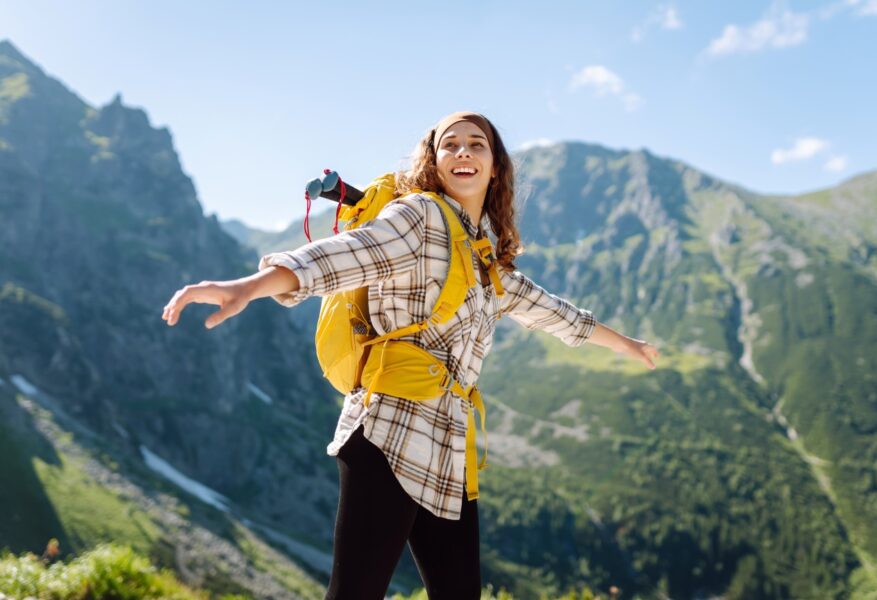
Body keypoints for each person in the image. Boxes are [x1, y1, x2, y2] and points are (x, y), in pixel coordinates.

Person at [161, 111, 660, 599]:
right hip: (389, 429)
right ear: (435, 161)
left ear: (495, 168)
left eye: (477, 144)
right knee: (356, 592)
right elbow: (344, 256)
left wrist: (627, 345)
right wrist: (249, 287)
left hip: (449, 445)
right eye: (450, 144)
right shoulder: (417, 216)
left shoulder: (489, 260)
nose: (463, 151)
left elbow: (557, 314)